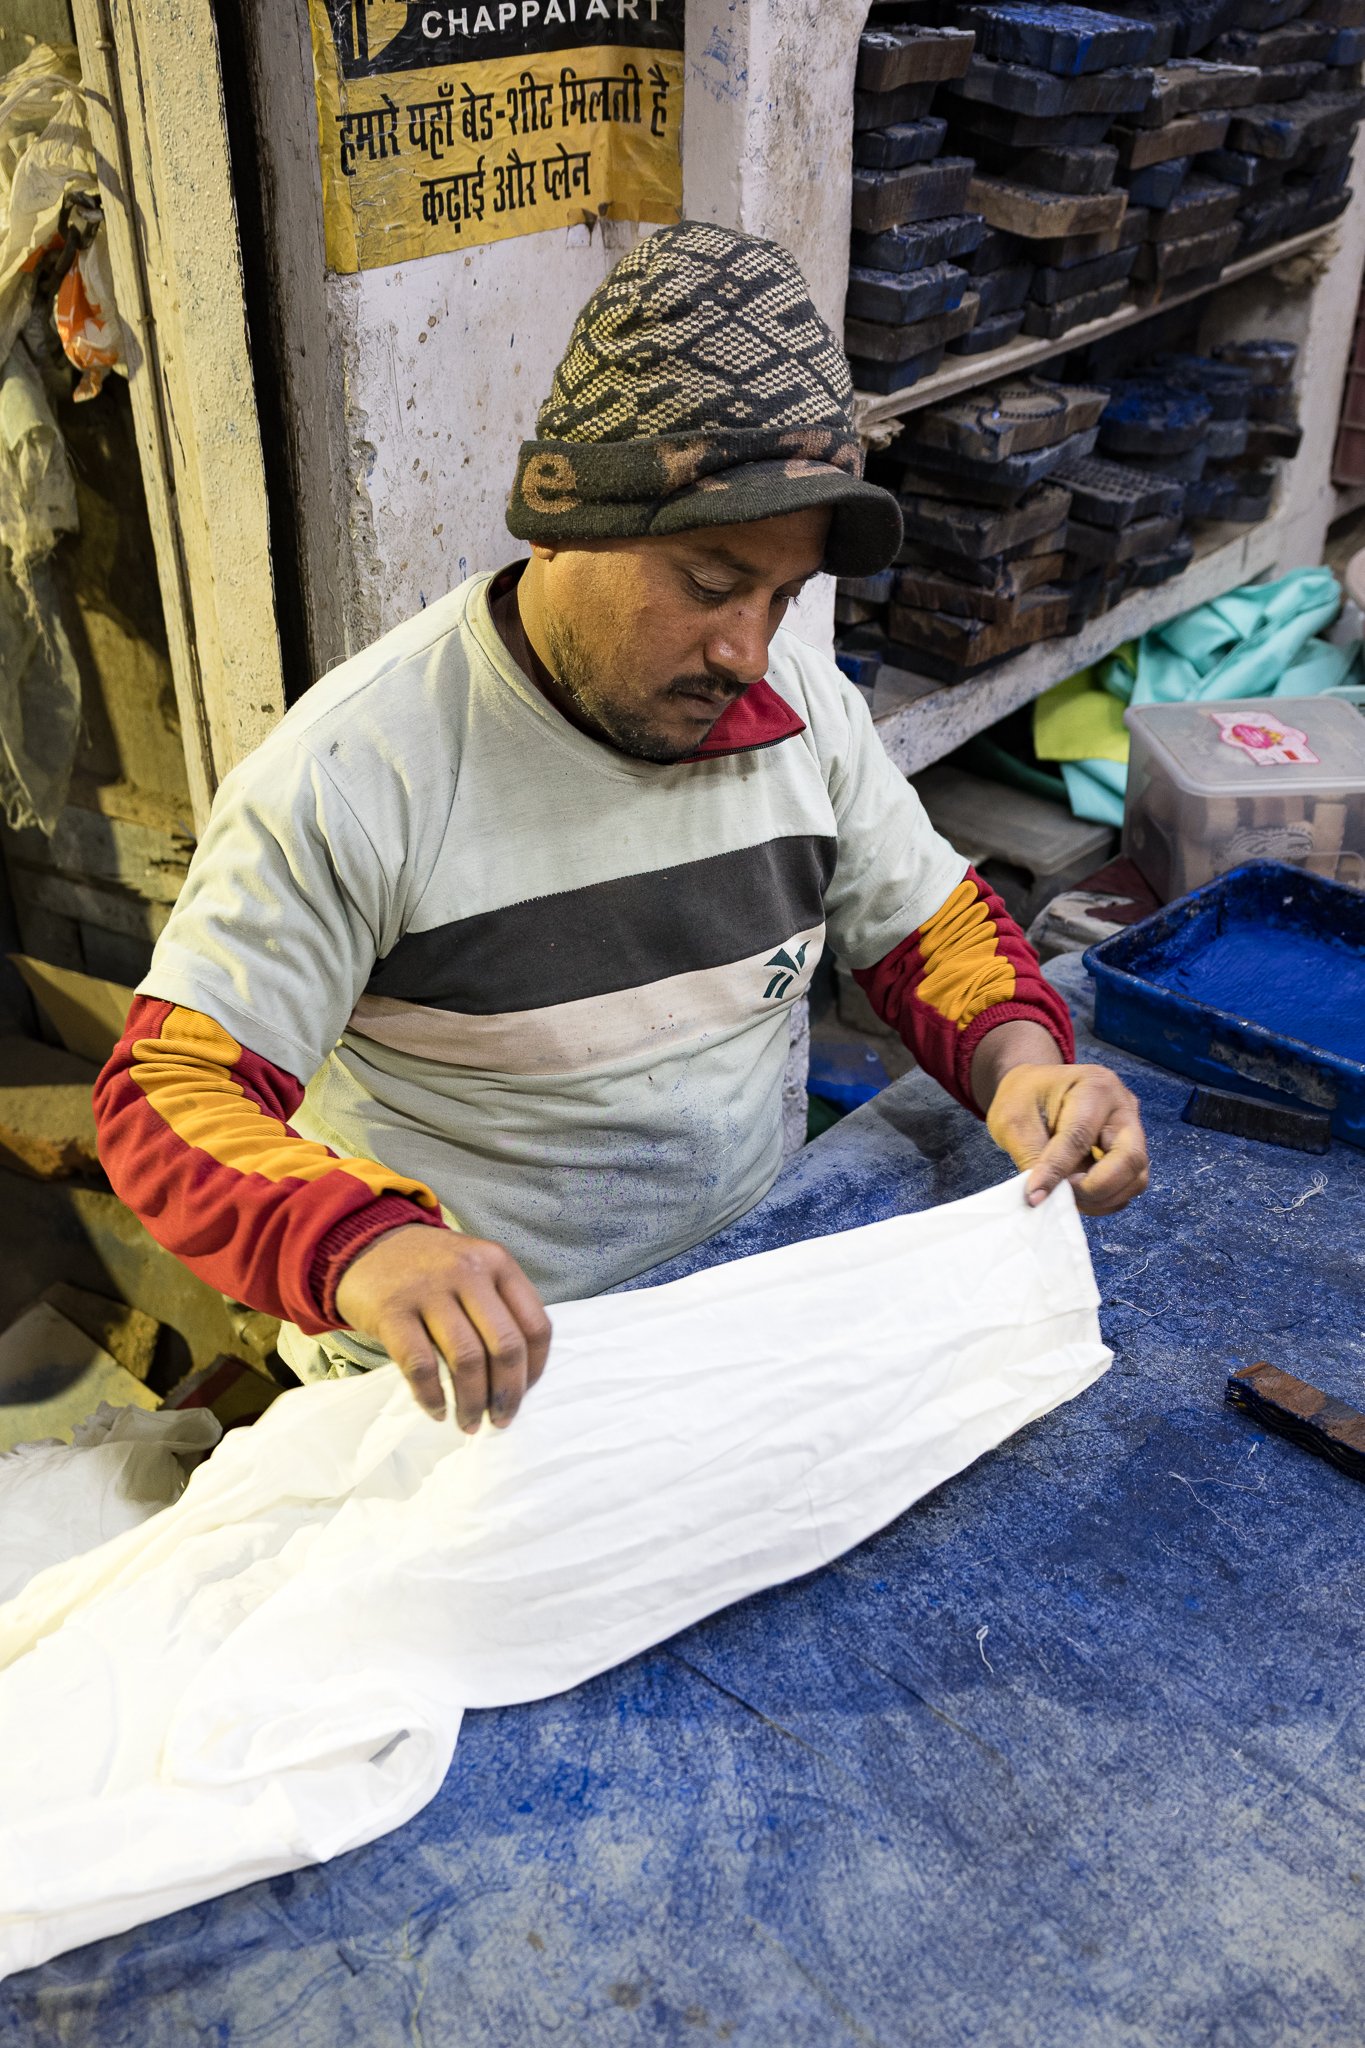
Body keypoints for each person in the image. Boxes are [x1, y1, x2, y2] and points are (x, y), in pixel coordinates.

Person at [94, 222, 1147, 1434]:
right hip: (471, 1390)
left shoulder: (798, 710)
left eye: (781, 596)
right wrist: (369, 1250)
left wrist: (1029, 1072)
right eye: (709, 584)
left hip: (745, 1298)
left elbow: (936, 937)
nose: (746, 647)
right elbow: (170, 1088)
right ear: (562, 523)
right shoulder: (357, 772)